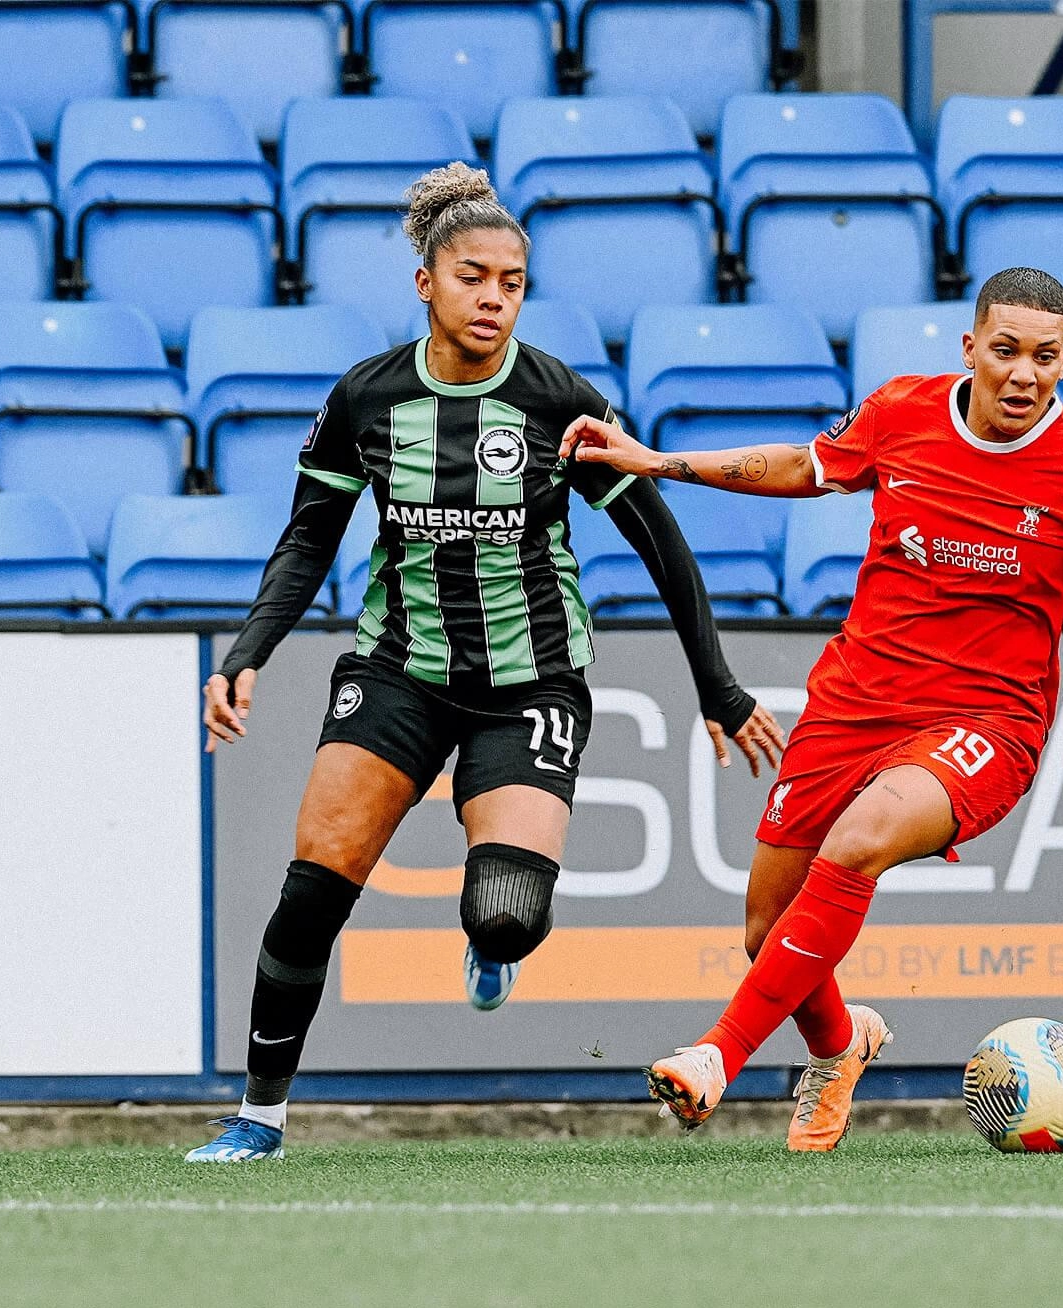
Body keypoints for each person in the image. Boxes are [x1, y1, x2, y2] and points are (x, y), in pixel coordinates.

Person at [186, 163, 784, 1163]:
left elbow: (661, 540)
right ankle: (261, 1117)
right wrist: (248, 651)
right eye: (474, 277)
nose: (494, 298)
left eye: (512, 281)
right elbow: (305, 543)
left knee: (506, 914)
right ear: (427, 282)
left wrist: (716, 684)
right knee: (310, 894)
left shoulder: (559, 402)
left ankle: (487, 944)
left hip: (533, 680)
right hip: (397, 671)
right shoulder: (366, 399)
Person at [563, 267, 1063, 1151]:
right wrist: (656, 460)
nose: (1024, 374)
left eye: (1045, 357)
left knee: (860, 838)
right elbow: (802, 466)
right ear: (970, 346)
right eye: (1006, 350)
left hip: (988, 721)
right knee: (766, 932)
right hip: (854, 701)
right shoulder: (902, 411)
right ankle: (838, 1046)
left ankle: (717, 1054)